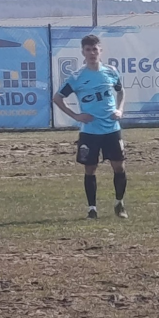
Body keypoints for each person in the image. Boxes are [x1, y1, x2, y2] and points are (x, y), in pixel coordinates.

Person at [53, 34, 129, 220]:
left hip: (112, 128)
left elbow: (121, 92)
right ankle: (92, 209)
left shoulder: (111, 72)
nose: (92, 53)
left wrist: (119, 110)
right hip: (90, 131)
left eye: (95, 49)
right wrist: (76, 116)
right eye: (88, 50)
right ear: (83, 53)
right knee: (90, 169)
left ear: (100, 51)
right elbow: (57, 98)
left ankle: (119, 203)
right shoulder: (77, 77)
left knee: (119, 166)